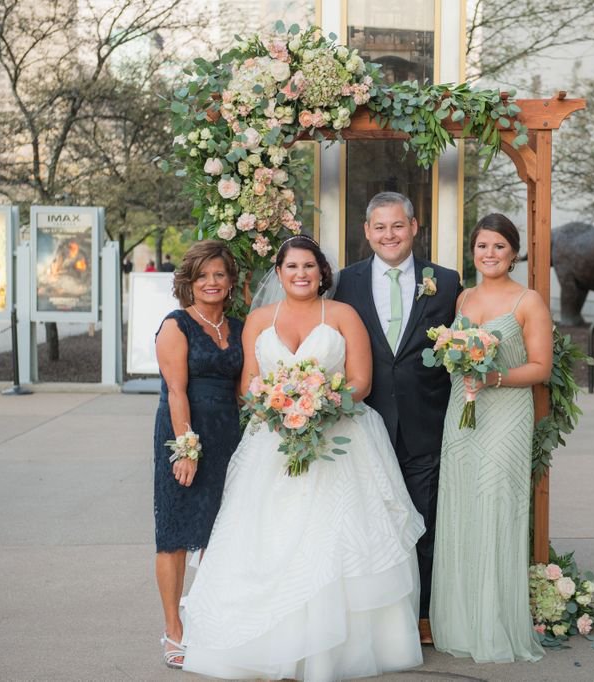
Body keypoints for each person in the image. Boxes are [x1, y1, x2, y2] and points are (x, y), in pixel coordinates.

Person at [180, 235, 425, 680]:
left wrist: (319, 405)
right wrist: (281, 405)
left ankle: (333, 651)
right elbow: (248, 387)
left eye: (309, 267)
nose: (300, 274)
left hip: (340, 437)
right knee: (268, 538)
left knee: (334, 538)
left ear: (321, 272)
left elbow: (361, 382)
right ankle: (268, 644)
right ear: (279, 272)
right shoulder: (257, 319)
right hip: (272, 439)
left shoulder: (343, 315)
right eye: (292, 267)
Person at [334, 191, 461, 644]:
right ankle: (375, 619)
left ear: (414, 227)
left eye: (398, 226)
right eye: (380, 227)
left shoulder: (445, 282)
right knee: (370, 523)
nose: (390, 235)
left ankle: (421, 617)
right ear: (367, 232)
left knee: (421, 522)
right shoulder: (344, 282)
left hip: (424, 420)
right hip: (362, 423)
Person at [430, 213, 552, 663]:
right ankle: (462, 622)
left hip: (505, 415)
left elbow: (542, 367)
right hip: (461, 413)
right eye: (482, 246)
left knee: (497, 506)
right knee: (463, 508)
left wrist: (495, 377)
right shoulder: (463, 296)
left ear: (514, 252)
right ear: (473, 250)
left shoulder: (528, 300)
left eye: (499, 246)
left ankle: (495, 623)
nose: (490, 254)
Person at [152, 240, 244, 669]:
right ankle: (174, 629)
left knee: (219, 535)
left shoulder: (240, 327)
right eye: (203, 275)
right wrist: (185, 448)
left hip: (230, 433)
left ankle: (207, 621)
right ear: (189, 282)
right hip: (185, 430)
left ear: (230, 282)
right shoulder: (177, 325)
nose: (212, 282)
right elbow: (175, 391)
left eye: (219, 275)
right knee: (175, 532)